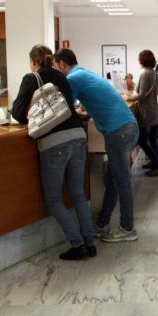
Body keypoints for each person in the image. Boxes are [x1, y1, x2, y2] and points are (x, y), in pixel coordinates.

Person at [11, 45, 95, 260]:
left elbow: (19, 114)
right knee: (78, 193)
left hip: (55, 143)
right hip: (78, 137)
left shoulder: (32, 78)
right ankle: (89, 242)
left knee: (54, 199)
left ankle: (78, 245)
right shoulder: (61, 76)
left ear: (33, 61)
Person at [53, 48, 140, 243]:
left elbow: (63, 108)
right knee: (112, 180)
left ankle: (127, 228)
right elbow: (92, 104)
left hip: (119, 132)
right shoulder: (84, 72)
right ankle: (101, 224)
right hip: (126, 128)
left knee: (121, 181)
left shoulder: (73, 78)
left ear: (62, 64)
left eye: (56, 67)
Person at [127, 50, 158, 177]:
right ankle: (155, 162)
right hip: (154, 110)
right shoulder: (154, 73)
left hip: (147, 112)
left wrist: (127, 98)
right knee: (153, 139)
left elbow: (141, 95)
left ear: (141, 60)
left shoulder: (145, 73)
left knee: (142, 140)